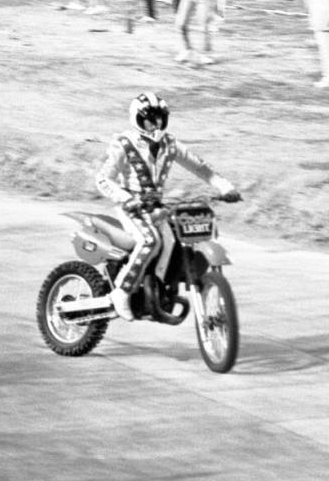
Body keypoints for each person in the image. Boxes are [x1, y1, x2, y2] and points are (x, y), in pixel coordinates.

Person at [94, 92, 242, 321]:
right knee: (150, 240)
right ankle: (121, 292)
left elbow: (201, 168)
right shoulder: (124, 144)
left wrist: (225, 188)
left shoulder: (170, 145)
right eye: (149, 119)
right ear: (137, 119)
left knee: (173, 239)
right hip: (131, 208)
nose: (155, 124)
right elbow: (103, 179)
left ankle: (160, 287)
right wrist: (126, 198)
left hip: (156, 208)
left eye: (160, 119)